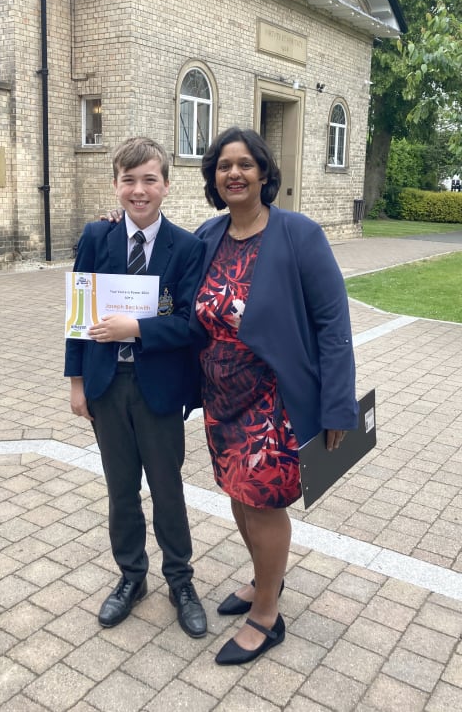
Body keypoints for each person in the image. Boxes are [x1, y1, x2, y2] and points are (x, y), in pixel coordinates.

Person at [189, 127, 358, 665]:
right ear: (214, 179)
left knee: (262, 506)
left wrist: (338, 406)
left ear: (264, 173)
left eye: (244, 164)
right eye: (223, 166)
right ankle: (267, 580)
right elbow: (170, 284)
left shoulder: (298, 234)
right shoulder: (206, 236)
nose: (233, 174)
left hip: (273, 404)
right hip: (222, 402)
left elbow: (333, 322)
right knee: (238, 499)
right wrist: (112, 233)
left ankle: (267, 614)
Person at [64, 137, 207, 639]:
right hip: (106, 385)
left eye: (149, 179)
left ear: (166, 185)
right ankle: (131, 577)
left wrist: (139, 328)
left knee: (167, 489)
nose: (139, 190)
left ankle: (181, 581)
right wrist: (78, 383)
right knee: (120, 489)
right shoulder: (95, 237)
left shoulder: (188, 248)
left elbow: (192, 323)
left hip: (159, 388)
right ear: (116, 185)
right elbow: (77, 317)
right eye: (129, 180)